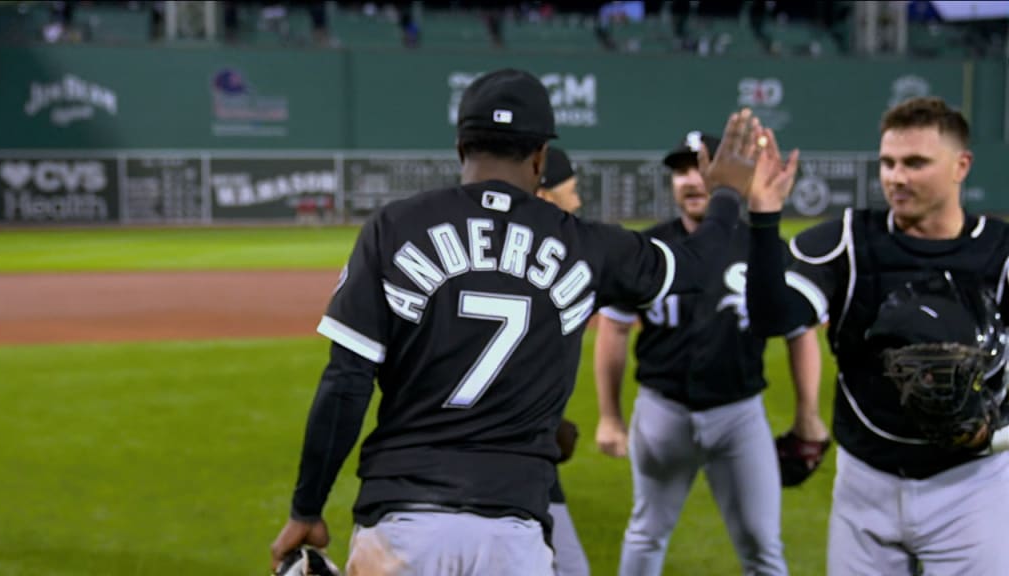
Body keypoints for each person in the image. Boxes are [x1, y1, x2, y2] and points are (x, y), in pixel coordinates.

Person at [269, 67, 764, 575]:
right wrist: (727, 192)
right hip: (513, 531)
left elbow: (346, 384)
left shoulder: (393, 228)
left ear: (461, 147)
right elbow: (699, 266)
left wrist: (307, 507)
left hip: (401, 521)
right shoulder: (587, 245)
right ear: (540, 158)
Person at [744, 96, 1009, 575]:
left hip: (973, 487)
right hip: (865, 483)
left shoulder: (1001, 253)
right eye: (887, 162)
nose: (896, 177)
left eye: (915, 163)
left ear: (961, 165)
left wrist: (996, 433)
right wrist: (764, 217)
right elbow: (774, 318)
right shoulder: (846, 241)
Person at [593, 130, 828, 576]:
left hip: (739, 415)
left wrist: (807, 413)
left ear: (727, 176)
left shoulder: (761, 247)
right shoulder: (649, 248)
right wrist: (609, 416)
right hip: (662, 410)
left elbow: (801, 332)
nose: (691, 179)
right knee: (646, 533)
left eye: (702, 166)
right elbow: (615, 328)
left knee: (763, 544)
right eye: (681, 169)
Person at [537, 145, 589, 576]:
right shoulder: (548, 275)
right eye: (571, 191)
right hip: (519, 470)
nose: (578, 203)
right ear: (544, 198)